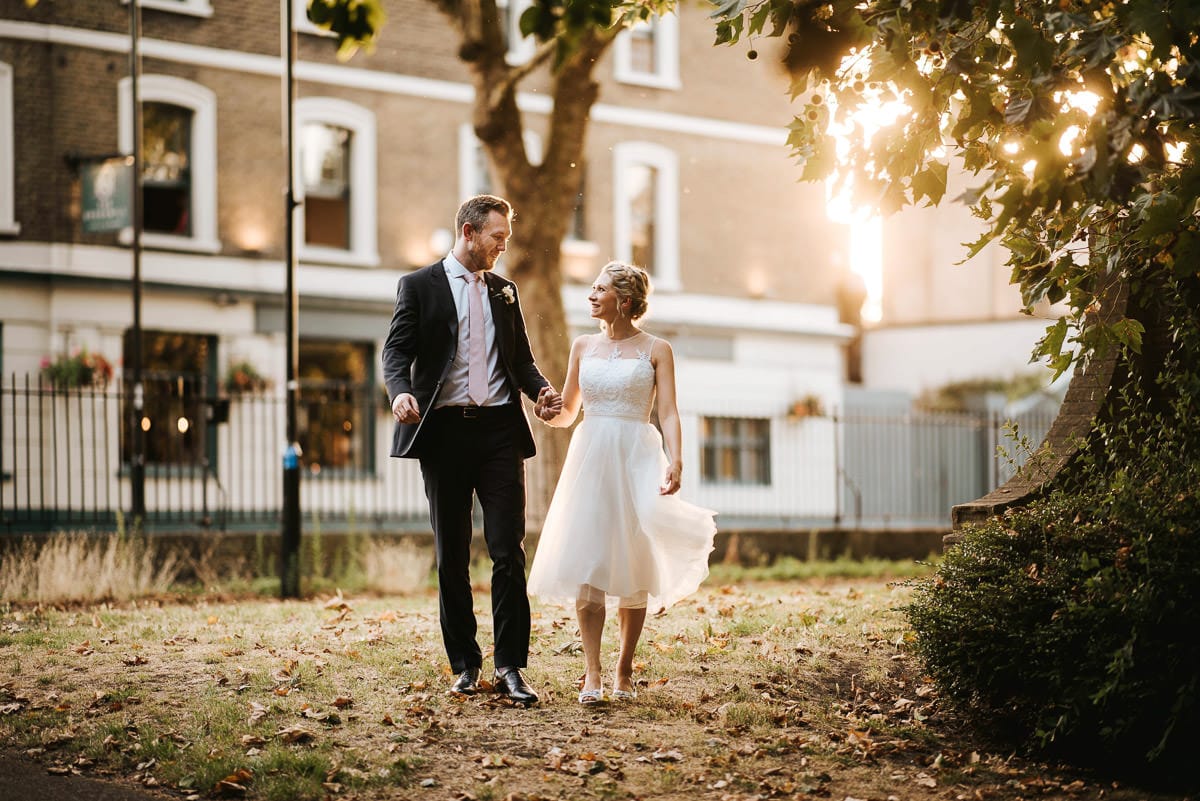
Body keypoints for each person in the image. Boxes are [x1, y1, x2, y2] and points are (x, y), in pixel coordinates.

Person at [383, 194, 562, 707]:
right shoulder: (418, 286)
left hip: (501, 433)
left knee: (508, 550)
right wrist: (400, 391)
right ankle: (465, 663)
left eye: (505, 239)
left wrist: (542, 392)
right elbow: (396, 350)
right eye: (496, 238)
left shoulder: (505, 291)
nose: (503, 248)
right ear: (468, 232)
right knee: (453, 553)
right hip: (444, 433)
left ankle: (511, 665)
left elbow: (521, 359)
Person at [527, 261, 717, 704]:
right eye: (591, 289)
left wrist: (677, 459)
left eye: (600, 290)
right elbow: (570, 411)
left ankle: (624, 669)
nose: (591, 296)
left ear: (625, 301)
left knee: (635, 557)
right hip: (590, 455)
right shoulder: (581, 345)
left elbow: (667, 411)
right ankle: (591, 672)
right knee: (589, 558)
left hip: (637, 454)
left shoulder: (657, 348)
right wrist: (550, 413)